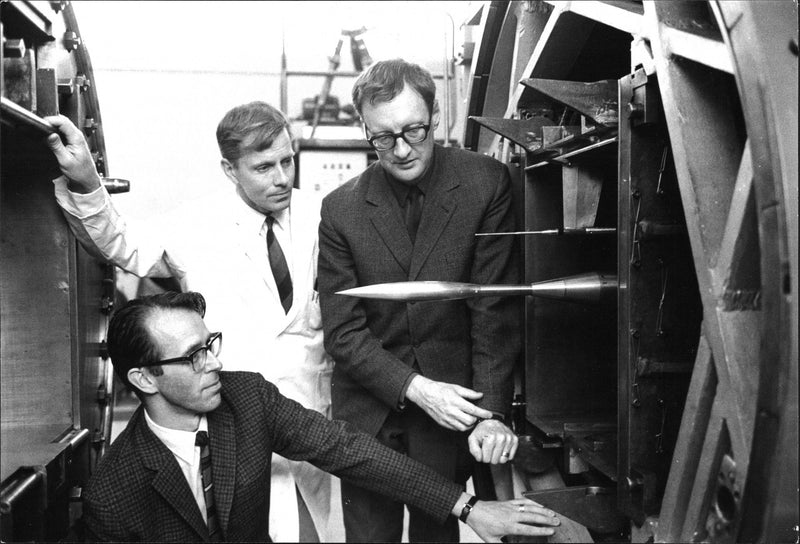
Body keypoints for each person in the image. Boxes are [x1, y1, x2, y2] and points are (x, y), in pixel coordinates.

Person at [44, 103, 333, 542]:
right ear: (229, 169)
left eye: (287, 161)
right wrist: (86, 180)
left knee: (310, 531)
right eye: (263, 167)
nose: (281, 178)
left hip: (306, 416)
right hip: (233, 421)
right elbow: (122, 242)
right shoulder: (197, 223)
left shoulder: (321, 216)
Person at [83, 290, 560, 542]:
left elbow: (349, 450)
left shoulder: (245, 397)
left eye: (211, 345)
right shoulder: (113, 494)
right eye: (194, 358)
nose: (216, 363)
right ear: (144, 379)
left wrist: (471, 509)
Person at [317, 58, 523, 542]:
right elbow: (343, 332)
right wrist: (417, 388)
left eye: (415, 130)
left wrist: (491, 416)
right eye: (384, 137)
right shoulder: (341, 208)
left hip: (454, 414)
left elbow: (493, 311)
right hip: (371, 412)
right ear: (364, 128)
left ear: (435, 117)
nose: (403, 149)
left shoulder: (485, 183)